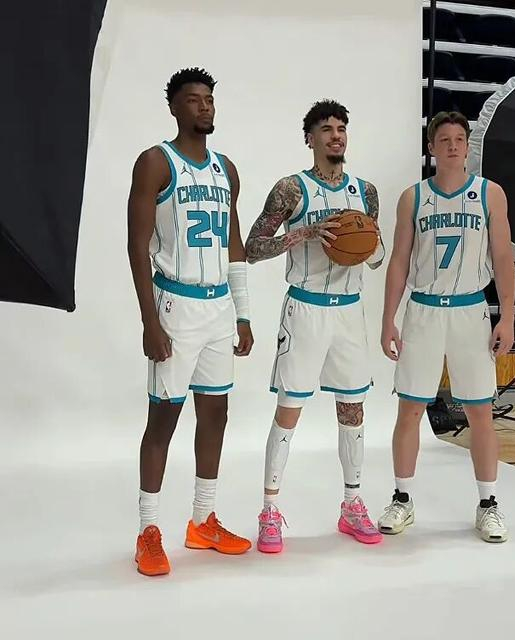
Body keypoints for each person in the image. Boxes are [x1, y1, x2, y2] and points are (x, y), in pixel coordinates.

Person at [127, 67, 253, 576]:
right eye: (194, 100)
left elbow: (234, 243)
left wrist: (243, 312)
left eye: (209, 100)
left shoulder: (227, 169)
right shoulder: (155, 162)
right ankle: (148, 531)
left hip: (219, 306)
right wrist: (149, 320)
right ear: (175, 108)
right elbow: (136, 245)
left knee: (216, 413)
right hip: (175, 305)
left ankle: (202, 521)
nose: (205, 107)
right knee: (163, 419)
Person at [245, 99, 385, 553]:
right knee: (289, 409)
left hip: (349, 312)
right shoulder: (291, 189)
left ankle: (352, 504)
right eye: (326, 129)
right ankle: (269, 511)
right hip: (305, 308)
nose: (336, 135)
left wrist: (369, 241)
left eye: (341, 128)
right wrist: (304, 233)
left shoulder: (366, 192)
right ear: (310, 138)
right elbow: (252, 247)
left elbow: (376, 256)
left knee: (353, 409)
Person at [377, 111, 515, 543]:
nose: (453, 145)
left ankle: (488, 504)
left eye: (459, 139)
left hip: (470, 310)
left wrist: (508, 316)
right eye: (444, 139)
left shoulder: (489, 194)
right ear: (431, 148)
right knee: (410, 409)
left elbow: (503, 257)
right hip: (423, 310)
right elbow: (399, 261)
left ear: (467, 146)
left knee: (480, 413)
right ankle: (402, 498)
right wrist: (388, 318)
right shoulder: (413, 198)